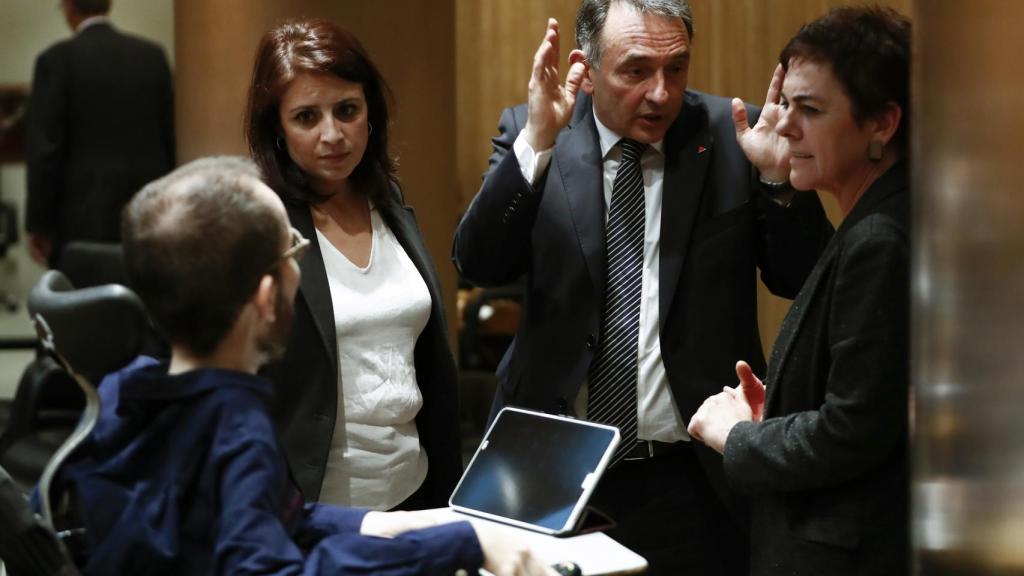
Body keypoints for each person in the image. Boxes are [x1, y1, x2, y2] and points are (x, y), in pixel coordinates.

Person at [452, 0, 834, 574]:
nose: (661, 93)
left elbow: (802, 281)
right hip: (552, 470)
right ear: (587, 67)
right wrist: (536, 142)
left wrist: (781, 183)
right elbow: (479, 263)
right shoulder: (538, 131)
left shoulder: (733, 138)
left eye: (675, 69)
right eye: (636, 71)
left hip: (692, 477)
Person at [52, 156, 554, 575]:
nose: (300, 265)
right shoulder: (237, 431)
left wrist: (394, 526)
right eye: (292, 249)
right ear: (267, 296)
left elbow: (259, 517)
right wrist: (452, 549)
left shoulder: (127, 390)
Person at [686, 6, 911, 575]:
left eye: (809, 109)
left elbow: (853, 432)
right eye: (785, 103)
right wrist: (783, 408)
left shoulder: (882, 238)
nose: (784, 125)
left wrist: (739, 437)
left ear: (882, 123)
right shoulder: (875, 217)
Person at [245, 20, 462, 510]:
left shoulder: (389, 202)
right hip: (317, 512)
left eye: (347, 110)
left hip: (415, 493)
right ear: (277, 130)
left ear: (371, 114)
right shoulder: (261, 223)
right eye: (305, 117)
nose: (333, 135)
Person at [25, 0, 175, 267]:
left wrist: (38, 223)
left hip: (80, 221)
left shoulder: (55, 61)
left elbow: (45, 152)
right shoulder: (152, 57)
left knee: (83, 304)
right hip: (147, 213)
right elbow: (169, 139)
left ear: (69, 7)